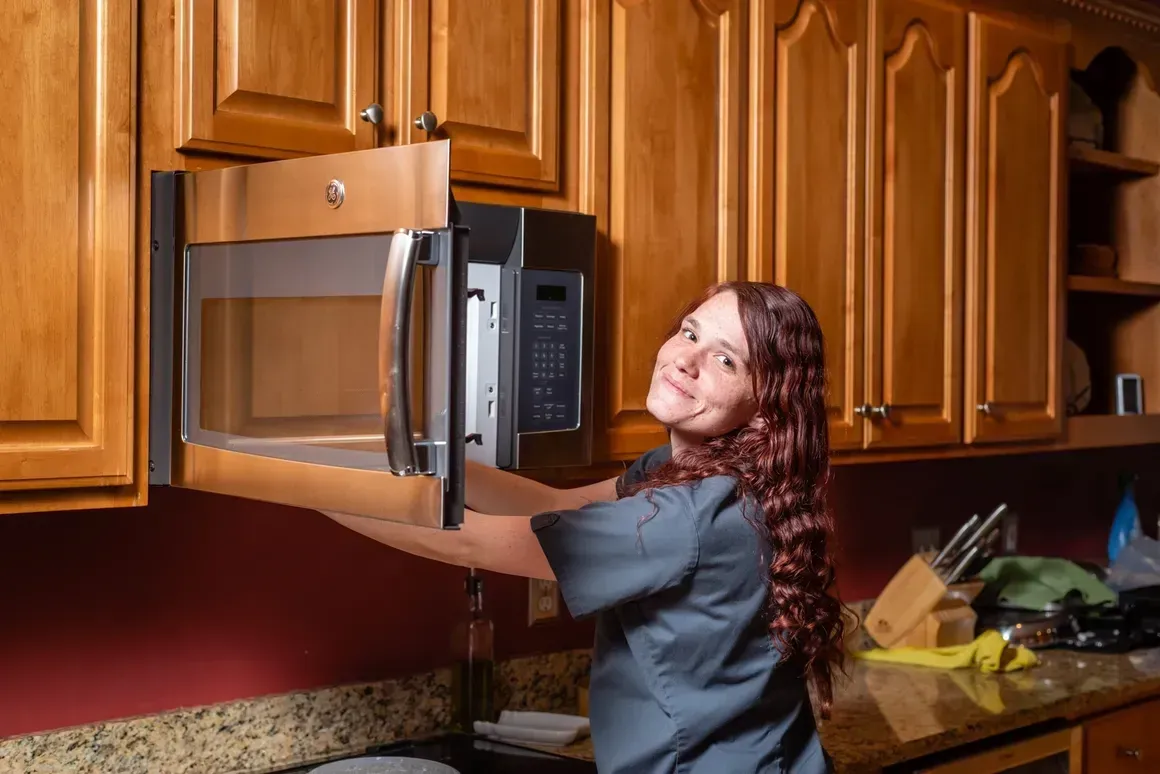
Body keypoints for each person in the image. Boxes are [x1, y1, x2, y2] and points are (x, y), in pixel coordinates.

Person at [322, 281, 845, 773]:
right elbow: (554, 503)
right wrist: (430, 458)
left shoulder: (685, 517)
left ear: (764, 412)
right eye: (690, 333)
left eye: (725, 360)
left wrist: (310, 485)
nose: (686, 360)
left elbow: (472, 542)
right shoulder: (693, 473)